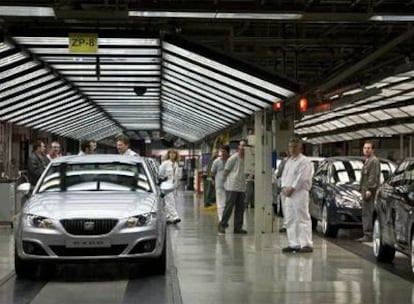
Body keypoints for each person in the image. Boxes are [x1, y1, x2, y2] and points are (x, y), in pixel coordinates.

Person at [281, 137, 313, 253]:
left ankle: (306, 244)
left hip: (299, 193)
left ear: (300, 147)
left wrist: (292, 188)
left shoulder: (304, 161)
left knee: (302, 218)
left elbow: (302, 178)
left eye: (295, 146)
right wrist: (284, 187)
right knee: (290, 218)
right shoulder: (289, 161)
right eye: (290, 146)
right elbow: (284, 175)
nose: (292, 149)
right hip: (288, 194)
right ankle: (293, 243)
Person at [218, 140, 247, 234]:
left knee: (240, 208)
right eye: (242, 146)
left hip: (242, 186)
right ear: (238, 147)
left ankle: (238, 228)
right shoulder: (233, 158)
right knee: (229, 207)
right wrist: (226, 182)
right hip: (232, 186)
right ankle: (222, 224)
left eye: (245, 146)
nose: (243, 148)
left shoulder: (247, 158)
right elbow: (226, 171)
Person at [357, 140, 380, 242]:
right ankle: (367, 233)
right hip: (364, 190)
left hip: (370, 191)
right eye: (365, 148)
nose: (366, 150)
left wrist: (370, 189)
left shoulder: (373, 161)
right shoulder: (367, 161)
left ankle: (368, 234)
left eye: (368, 148)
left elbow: (373, 177)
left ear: (373, 150)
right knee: (365, 212)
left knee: (368, 213)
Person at [159, 148, 181, 224]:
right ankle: (175, 216)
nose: (172, 154)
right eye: (171, 153)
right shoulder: (165, 163)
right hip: (166, 185)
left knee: (167, 201)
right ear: (168, 154)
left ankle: (167, 217)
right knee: (170, 201)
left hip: (173, 186)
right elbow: (160, 173)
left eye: (174, 153)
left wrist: (177, 184)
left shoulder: (176, 164)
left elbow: (176, 176)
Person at [211, 145, 230, 222]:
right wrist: (214, 180)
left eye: (224, 151)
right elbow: (212, 173)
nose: (222, 153)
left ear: (228, 152)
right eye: (221, 151)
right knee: (220, 203)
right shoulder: (216, 161)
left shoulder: (230, 160)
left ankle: (226, 218)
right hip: (219, 185)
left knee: (227, 203)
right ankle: (221, 219)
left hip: (229, 185)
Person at [276, 151, 289, 233]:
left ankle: (286, 225)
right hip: (291, 188)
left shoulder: (283, 162)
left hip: (285, 187)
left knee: (285, 207)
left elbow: (279, 174)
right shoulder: (291, 162)